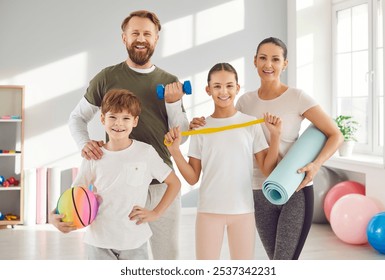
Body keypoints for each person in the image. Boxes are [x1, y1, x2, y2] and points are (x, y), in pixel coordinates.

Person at [50, 10, 189, 260]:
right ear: (124, 37)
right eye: (134, 32)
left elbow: (183, 136)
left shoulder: (170, 82)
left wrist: (172, 103)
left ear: (156, 38)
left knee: (167, 259)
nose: (141, 38)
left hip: (159, 183)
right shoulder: (106, 77)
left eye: (147, 33)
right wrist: (84, 144)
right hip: (118, 185)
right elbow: (76, 118)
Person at [190, 37, 344, 260]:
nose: (268, 64)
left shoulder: (297, 97)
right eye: (262, 58)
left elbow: (335, 134)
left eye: (275, 59)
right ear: (254, 61)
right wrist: (198, 125)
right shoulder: (245, 101)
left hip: (295, 188)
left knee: (284, 261)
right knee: (274, 260)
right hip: (257, 190)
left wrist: (316, 164)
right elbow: (224, 126)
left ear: (285, 64)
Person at [165, 62, 282, 260]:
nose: (223, 91)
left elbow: (267, 169)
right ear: (208, 90)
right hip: (208, 211)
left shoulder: (250, 124)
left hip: (243, 211)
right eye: (217, 86)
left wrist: (276, 136)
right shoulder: (201, 128)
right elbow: (193, 178)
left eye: (229, 85)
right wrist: (175, 152)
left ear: (237, 88)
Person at [52, 89, 181, 260]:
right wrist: (54, 215)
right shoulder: (94, 156)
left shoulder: (146, 153)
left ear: (135, 121)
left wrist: (155, 213)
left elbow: (175, 183)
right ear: (102, 119)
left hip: (134, 241)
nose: (118, 123)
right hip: (98, 242)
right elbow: (74, 194)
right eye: (112, 117)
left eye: (126, 118)